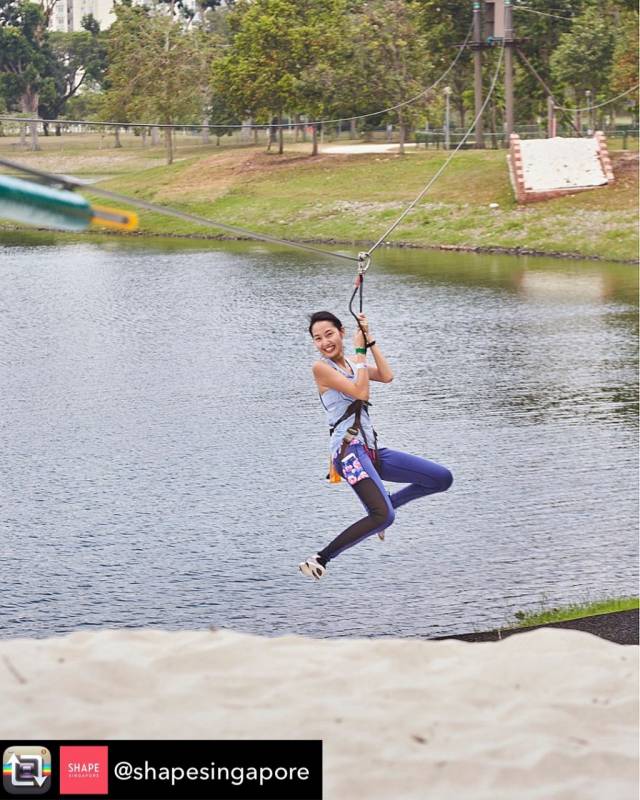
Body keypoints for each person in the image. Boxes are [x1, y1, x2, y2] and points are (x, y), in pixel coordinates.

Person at [299, 310, 453, 580]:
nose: (324, 342)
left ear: (342, 332)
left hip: (370, 451)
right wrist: (360, 351)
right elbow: (361, 392)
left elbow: (386, 375)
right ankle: (321, 557)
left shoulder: (351, 364)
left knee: (441, 478)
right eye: (317, 338)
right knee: (384, 518)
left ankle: (383, 508)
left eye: (329, 334)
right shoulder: (321, 368)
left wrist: (369, 341)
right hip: (348, 455)